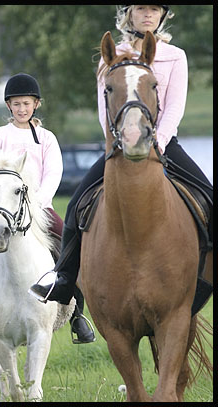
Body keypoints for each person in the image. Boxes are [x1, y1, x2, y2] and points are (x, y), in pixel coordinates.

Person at [30, 5, 213, 306]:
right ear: (129, 14)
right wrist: (120, 143)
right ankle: (63, 279)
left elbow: (175, 107)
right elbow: (105, 111)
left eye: (154, 9)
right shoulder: (112, 54)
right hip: (120, 147)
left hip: (163, 143)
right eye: (141, 8)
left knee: (209, 197)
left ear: (162, 15)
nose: (148, 14)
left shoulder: (175, 56)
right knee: (77, 205)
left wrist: (158, 142)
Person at [0, 73, 96, 343]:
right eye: (16, 104)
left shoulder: (46, 138)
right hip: (1, 209)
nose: (21, 109)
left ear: (36, 104)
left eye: (26, 104)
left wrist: (38, 203)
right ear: (8, 106)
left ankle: (77, 315)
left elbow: (53, 173)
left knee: (74, 246)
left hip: (38, 209)